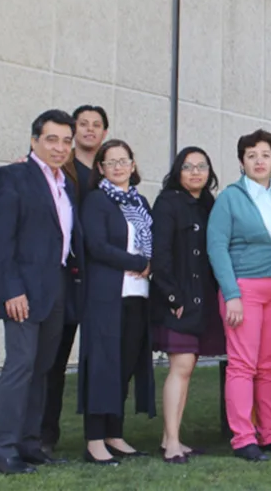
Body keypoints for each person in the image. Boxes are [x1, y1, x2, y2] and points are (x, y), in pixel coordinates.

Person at [0, 110, 82, 475]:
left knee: (43, 368)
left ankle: (30, 443)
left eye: (66, 141)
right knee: (20, 366)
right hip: (22, 289)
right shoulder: (11, 176)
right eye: (52, 139)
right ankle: (3, 451)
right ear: (35, 140)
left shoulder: (65, 184)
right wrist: (11, 290)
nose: (60, 147)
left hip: (56, 286)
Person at [207, 130, 271, 462]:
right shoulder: (230, 198)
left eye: (265, 154)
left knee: (270, 366)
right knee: (243, 365)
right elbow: (216, 247)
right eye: (251, 155)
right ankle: (243, 437)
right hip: (243, 289)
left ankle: (270, 434)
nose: (259, 161)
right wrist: (230, 293)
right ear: (242, 162)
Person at [79, 139, 155, 465]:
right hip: (106, 297)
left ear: (133, 164)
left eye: (124, 160)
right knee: (102, 367)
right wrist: (140, 264)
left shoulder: (140, 202)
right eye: (111, 162)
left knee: (123, 368)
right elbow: (96, 246)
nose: (119, 167)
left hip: (138, 297)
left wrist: (153, 264)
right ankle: (95, 440)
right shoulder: (96, 201)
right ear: (101, 169)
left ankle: (114, 433)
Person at [41, 103, 109, 454]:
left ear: (104, 133)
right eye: (82, 124)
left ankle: (102, 434)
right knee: (53, 359)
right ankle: (44, 435)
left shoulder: (107, 172)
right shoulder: (58, 172)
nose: (89, 130)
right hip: (66, 278)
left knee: (101, 360)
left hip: (101, 281)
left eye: (96, 125)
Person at [151, 147, 225, 464]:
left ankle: (171, 437)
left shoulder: (210, 205)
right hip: (178, 300)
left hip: (203, 299)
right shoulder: (168, 203)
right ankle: (171, 443)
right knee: (180, 368)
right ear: (177, 171)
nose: (195, 172)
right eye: (188, 166)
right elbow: (160, 254)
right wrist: (172, 297)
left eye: (201, 166)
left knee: (188, 369)